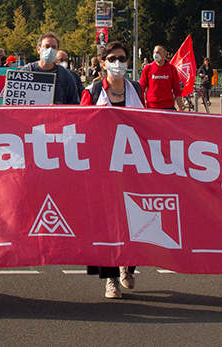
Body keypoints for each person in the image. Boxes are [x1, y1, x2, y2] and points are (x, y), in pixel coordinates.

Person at [80, 41, 144, 297]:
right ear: (103, 62)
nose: (118, 63)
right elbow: (81, 124)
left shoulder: (137, 89)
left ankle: (127, 267)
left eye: (123, 58)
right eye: (113, 58)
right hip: (102, 166)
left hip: (133, 165)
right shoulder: (93, 91)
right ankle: (110, 280)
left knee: (135, 217)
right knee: (105, 222)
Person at [20, 32, 82, 105]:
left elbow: (74, 103)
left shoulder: (65, 75)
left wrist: (58, 108)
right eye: (47, 46)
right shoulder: (27, 71)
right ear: (38, 49)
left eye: (53, 47)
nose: (50, 50)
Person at [140, 45, 184, 110]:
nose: (155, 55)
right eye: (154, 52)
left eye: (158, 53)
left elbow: (176, 89)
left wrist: (180, 107)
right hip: (152, 106)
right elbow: (141, 87)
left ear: (164, 55)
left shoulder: (171, 69)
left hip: (168, 106)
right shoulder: (148, 68)